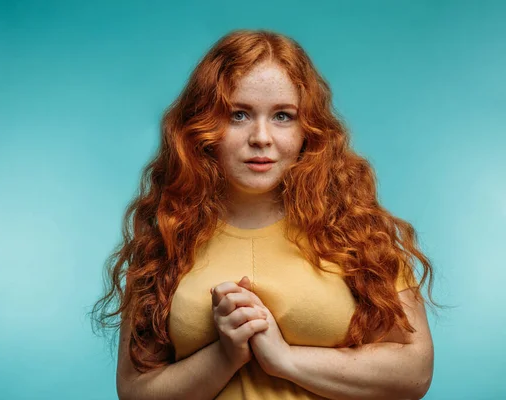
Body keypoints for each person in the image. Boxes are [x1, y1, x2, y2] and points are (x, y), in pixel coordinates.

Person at [90, 29, 439, 400]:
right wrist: (224, 356)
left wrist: (286, 359)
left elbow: (414, 372)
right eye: (238, 115)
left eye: (283, 116)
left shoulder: (359, 232)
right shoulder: (166, 239)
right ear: (202, 127)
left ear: (310, 129)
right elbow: (134, 391)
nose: (261, 137)